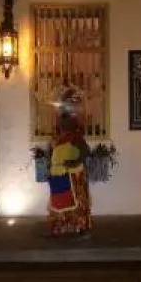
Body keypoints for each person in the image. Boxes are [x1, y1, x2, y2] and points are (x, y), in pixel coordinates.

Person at [46, 87, 93, 237]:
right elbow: (53, 153)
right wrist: (50, 168)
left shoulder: (75, 136)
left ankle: (79, 227)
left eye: (65, 120)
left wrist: (73, 162)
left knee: (76, 203)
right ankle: (61, 227)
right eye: (62, 120)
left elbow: (85, 152)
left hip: (73, 175)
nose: (62, 122)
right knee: (60, 203)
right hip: (59, 175)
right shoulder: (57, 137)